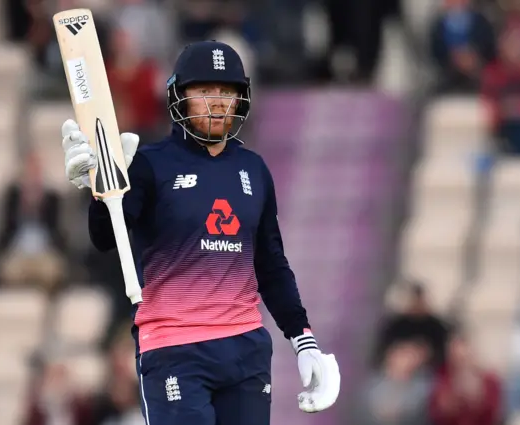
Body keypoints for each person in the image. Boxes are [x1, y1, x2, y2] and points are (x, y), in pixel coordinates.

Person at [60, 40, 341, 424]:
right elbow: (107, 238)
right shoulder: (147, 164)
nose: (217, 102)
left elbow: (271, 264)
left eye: (227, 92)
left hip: (245, 348)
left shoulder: (253, 170)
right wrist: (97, 193)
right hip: (173, 348)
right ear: (180, 96)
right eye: (204, 91)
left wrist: (302, 338)